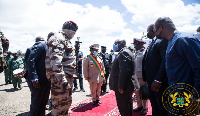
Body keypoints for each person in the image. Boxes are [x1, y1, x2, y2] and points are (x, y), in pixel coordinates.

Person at [154, 17, 200, 115]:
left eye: (155, 30)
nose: (155, 33)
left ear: (160, 28)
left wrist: (195, 97)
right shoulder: (171, 41)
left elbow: (199, 69)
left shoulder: (184, 40)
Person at [45, 21, 78, 116]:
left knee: (65, 103)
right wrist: (62, 80)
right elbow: (55, 61)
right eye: (74, 32)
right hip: (59, 79)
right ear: (70, 30)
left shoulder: (65, 39)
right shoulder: (58, 38)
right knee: (59, 105)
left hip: (66, 77)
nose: (74, 34)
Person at [142, 24, 168, 116]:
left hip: (159, 84)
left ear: (153, 31)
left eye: (148, 31)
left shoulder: (162, 41)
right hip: (151, 81)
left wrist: (158, 80)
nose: (147, 33)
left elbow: (165, 61)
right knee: (154, 105)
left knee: (162, 107)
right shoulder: (152, 42)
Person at [109, 39, 139, 116]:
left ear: (122, 44)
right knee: (127, 105)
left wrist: (121, 86)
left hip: (124, 86)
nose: (114, 45)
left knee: (123, 107)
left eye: (116, 43)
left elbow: (124, 70)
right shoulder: (126, 52)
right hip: (127, 85)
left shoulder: (124, 53)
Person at [27, 36, 50, 116]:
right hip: (38, 81)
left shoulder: (51, 47)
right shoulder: (41, 44)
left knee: (43, 104)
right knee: (36, 104)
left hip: (47, 81)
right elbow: (31, 61)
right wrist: (34, 78)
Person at [132, 38, 149, 115]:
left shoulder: (145, 52)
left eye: (135, 44)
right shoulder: (136, 52)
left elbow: (147, 65)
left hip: (142, 76)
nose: (134, 46)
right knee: (137, 92)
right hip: (136, 76)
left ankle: (145, 107)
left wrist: (147, 77)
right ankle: (139, 106)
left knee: (144, 91)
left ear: (139, 44)